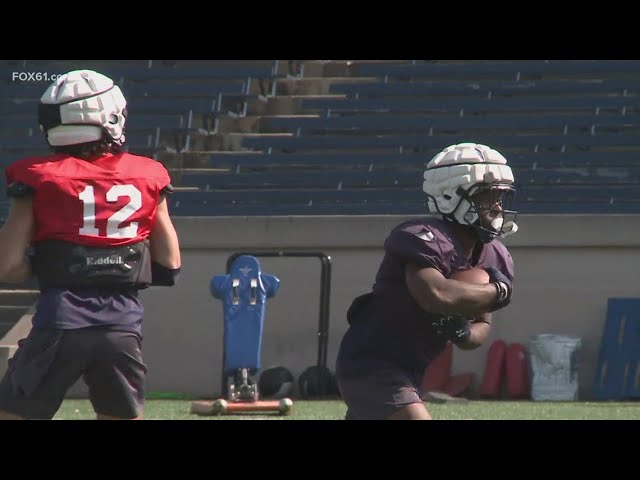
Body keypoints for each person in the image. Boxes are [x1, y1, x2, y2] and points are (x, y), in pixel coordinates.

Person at [0, 69, 181, 420]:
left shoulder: (37, 176)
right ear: (112, 116)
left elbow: (8, 266)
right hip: (123, 325)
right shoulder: (148, 175)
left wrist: (51, 262)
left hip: (61, 320)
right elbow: (170, 263)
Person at [335, 142, 518, 420]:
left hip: (412, 367)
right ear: (450, 196)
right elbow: (435, 295)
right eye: (486, 197)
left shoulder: (493, 255)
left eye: (500, 197)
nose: (496, 207)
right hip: (371, 360)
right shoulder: (425, 237)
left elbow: (481, 325)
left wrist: (463, 334)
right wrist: (497, 291)